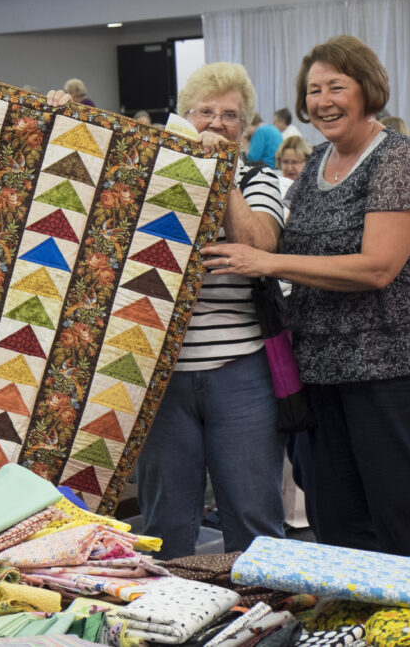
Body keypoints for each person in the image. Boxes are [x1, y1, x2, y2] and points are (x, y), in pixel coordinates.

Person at [202, 35, 410, 561]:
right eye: (313, 90)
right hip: (322, 375)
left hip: (390, 372)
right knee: (338, 523)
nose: (323, 100)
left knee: (407, 520)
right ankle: (354, 631)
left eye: (338, 85)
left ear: (368, 89)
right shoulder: (316, 163)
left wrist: (268, 262)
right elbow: (289, 241)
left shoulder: (396, 160)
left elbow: (378, 267)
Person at [49, 63, 287, 559]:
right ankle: (172, 623)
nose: (217, 123)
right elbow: (79, 198)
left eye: (230, 115)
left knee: (252, 516)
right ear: (183, 118)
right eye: (205, 112)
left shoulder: (259, 179)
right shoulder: (145, 173)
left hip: (240, 374)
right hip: (155, 375)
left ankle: (266, 622)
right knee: (166, 521)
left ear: (245, 128)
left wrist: (221, 178)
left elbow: (259, 246)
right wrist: (61, 126)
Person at [275, 134, 313, 202]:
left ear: (307, 162)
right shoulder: (274, 187)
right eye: (285, 162)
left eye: (294, 162)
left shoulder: (312, 191)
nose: (289, 168)